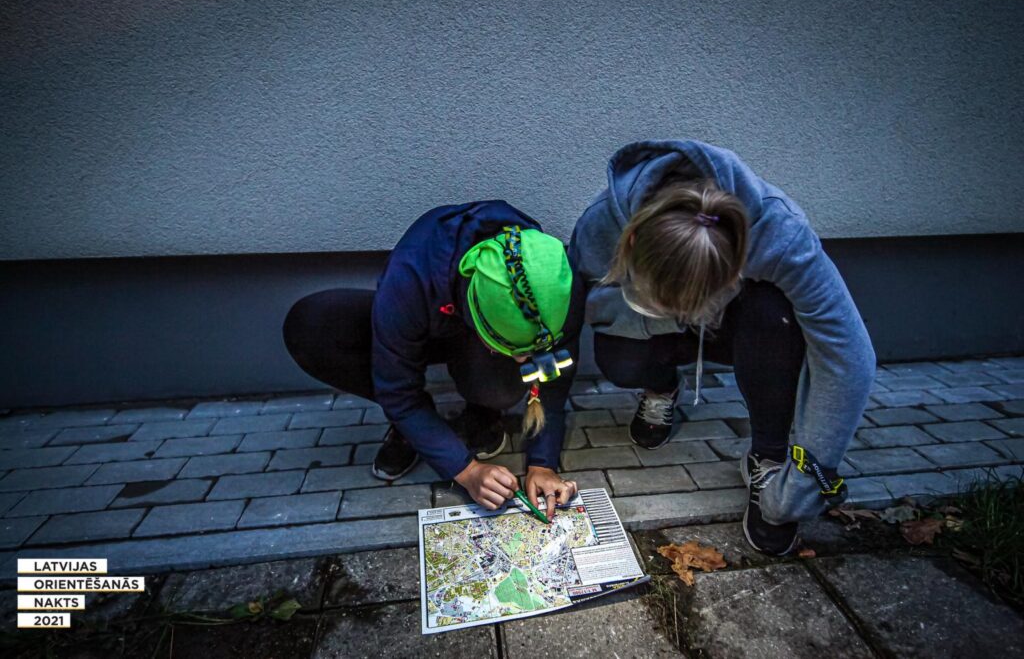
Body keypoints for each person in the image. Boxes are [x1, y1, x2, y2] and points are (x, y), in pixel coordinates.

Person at [569, 139, 875, 555]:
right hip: (647, 328)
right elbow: (567, 312)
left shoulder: (781, 233)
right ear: (633, 241)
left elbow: (847, 356)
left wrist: (809, 474)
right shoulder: (598, 226)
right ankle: (661, 386)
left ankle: (768, 457)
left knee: (775, 312)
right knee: (619, 361)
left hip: (736, 328)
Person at [283, 200, 583, 516]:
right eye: (510, 348)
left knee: (499, 387)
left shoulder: (556, 276)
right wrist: (467, 472)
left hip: (468, 334)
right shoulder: (410, 275)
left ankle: (482, 413)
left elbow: (554, 378)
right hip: (418, 323)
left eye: (529, 351)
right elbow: (397, 391)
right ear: (472, 311)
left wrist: (542, 463)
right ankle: (416, 429)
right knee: (311, 326)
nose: (524, 363)